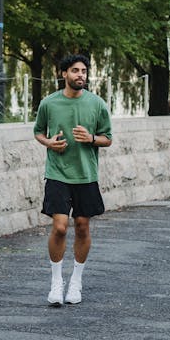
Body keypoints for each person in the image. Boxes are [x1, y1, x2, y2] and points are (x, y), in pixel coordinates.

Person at [33, 54, 113, 306]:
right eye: (75, 71)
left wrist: (90, 138)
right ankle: (56, 282)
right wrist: (49, 143)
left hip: (86, 175)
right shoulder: (49, 103)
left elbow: (107, 138)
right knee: (59, 227)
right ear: (64, 74)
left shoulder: (97, 104)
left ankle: (75, 281)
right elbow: (38, 132)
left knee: (81, 226)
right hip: (57, 173)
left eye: (84, 71)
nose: (81, 75)